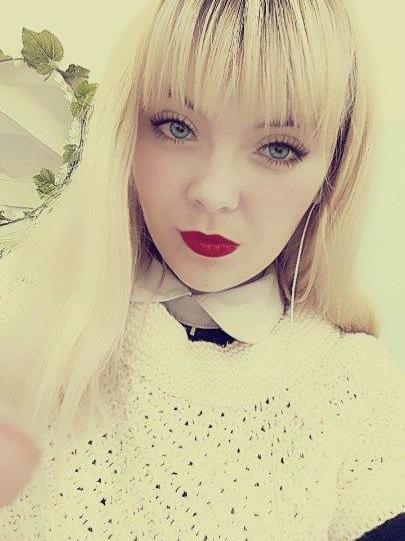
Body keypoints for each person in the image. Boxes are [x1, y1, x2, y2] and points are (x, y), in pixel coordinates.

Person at [0, 0, 404, 539]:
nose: (213, 192)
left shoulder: (356, 391)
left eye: (278, 148)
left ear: (333, 171)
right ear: (126, 130)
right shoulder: (18, 313)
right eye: (177, 127)